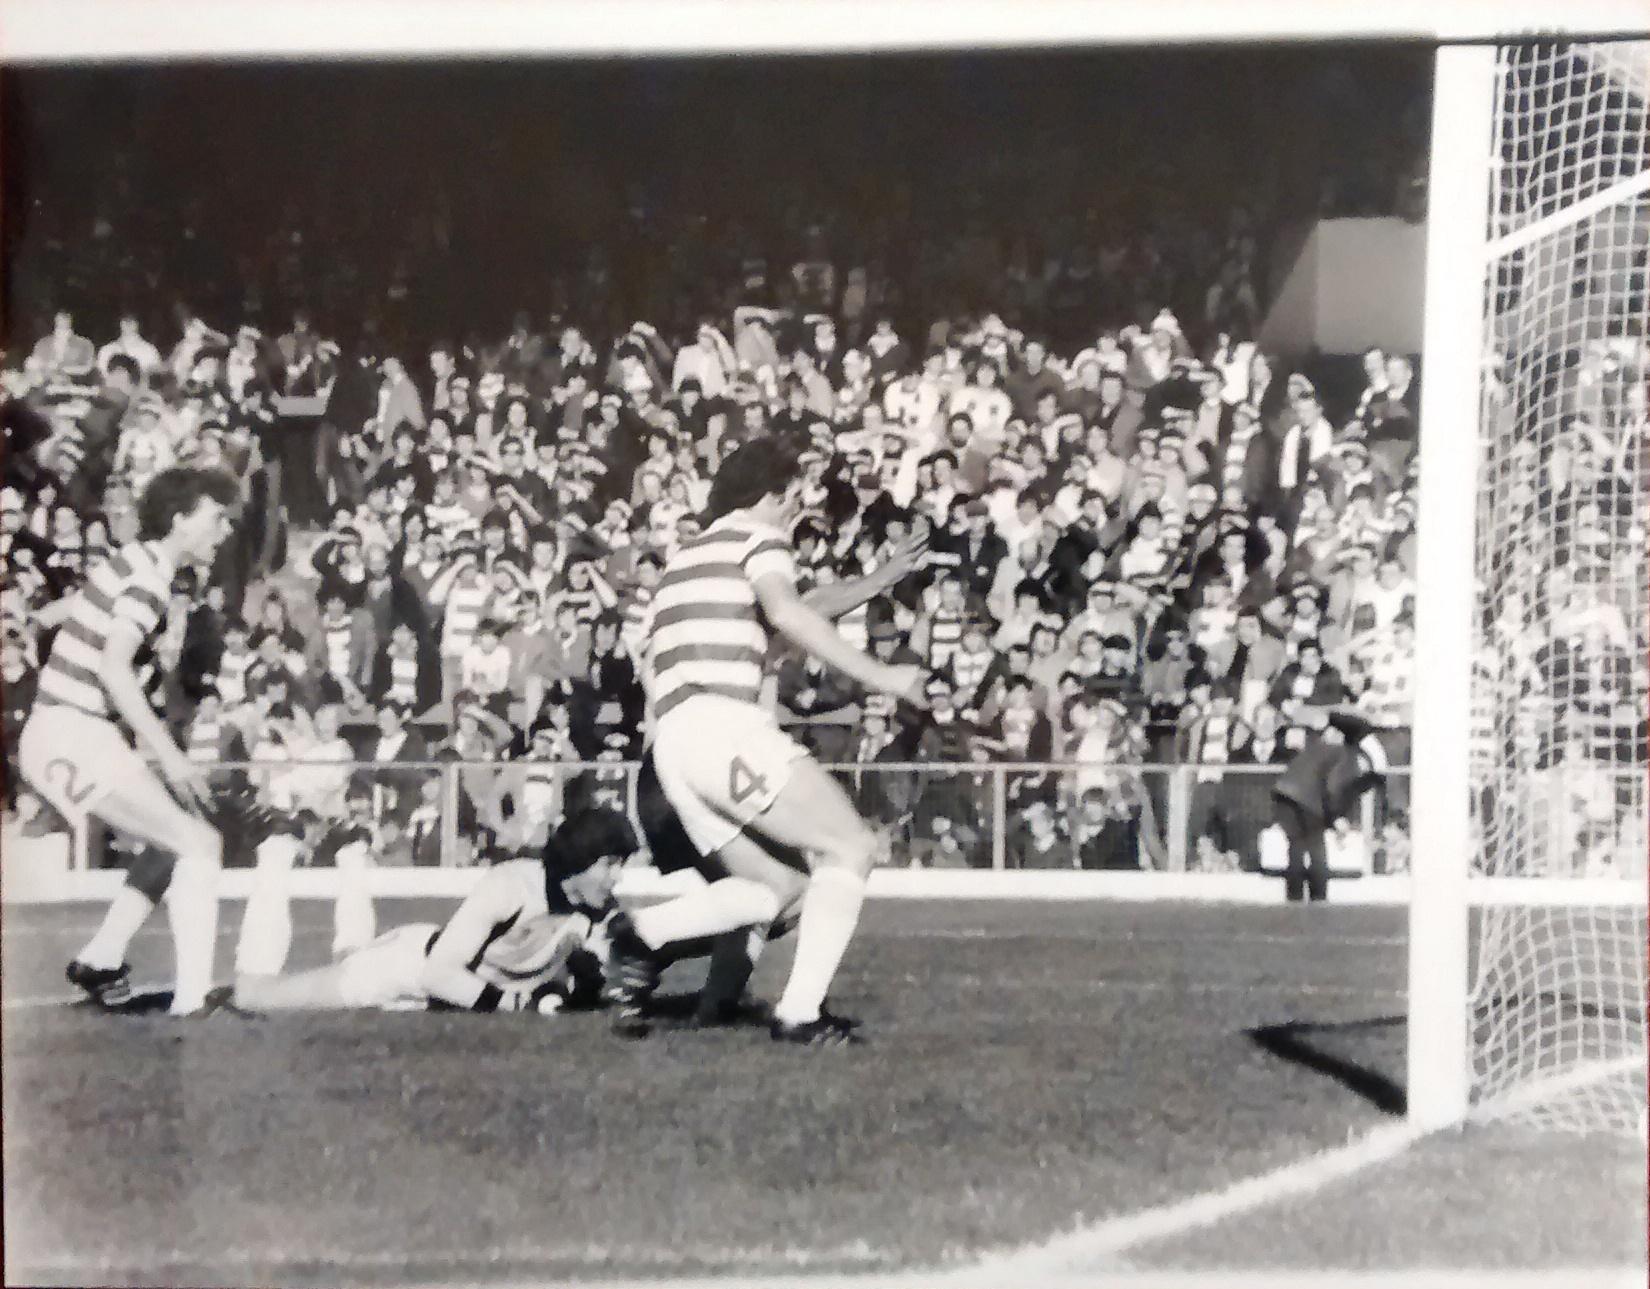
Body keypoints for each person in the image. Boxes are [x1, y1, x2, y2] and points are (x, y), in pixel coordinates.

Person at [607, 436, 927, 1046]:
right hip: (723, 726)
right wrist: (884, 675)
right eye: (793, 496)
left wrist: (881, 578)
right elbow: (787, 611)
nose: (797, 510)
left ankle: (643, 932)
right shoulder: (760, 539)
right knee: (852, 846)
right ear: (770, 494)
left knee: (777, 890)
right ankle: (800, 1015)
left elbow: (798, 604)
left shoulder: (688, 557)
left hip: (674, 745)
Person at [19, 466, 239, 1017]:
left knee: (178, 841)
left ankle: (101, 958)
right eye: (216, 518)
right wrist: (172, 757)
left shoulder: (136, 561)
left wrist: (44, 613)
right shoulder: (149, 580)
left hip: (74, 730)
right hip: (69, 731)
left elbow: (79, 610)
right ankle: (193, 1005)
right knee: (199, 845)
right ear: (181, 520)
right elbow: (116, 671)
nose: (225, 530)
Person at [227, 806, 637, 1013]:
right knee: (253, 996)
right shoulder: (511, 885)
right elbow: (437, 974)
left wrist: (587, 982)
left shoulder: (596, 905)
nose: (616, 877)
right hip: (400, 970)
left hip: (426, 964)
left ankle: (351, 854)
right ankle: (275, 851)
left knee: (348, 955)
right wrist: (519, 1006)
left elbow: (592, 983)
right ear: (582, 858)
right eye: (609, 864)